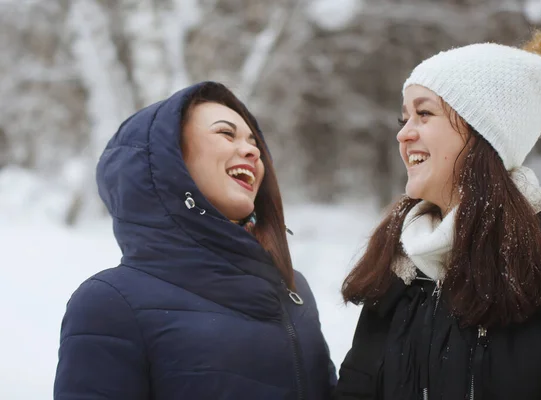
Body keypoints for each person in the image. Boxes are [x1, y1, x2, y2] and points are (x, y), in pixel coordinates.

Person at [335, 30, 541, 400]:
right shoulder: (398, 270)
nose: (403, 135)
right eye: (404, 118)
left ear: (484, 135)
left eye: (424, 113)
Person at [54, 81, 336, 399]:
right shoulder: (111, 302)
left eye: (254, 142)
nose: (253, 151)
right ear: (169, 160)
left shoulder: (292, 289)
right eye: (225, 134)